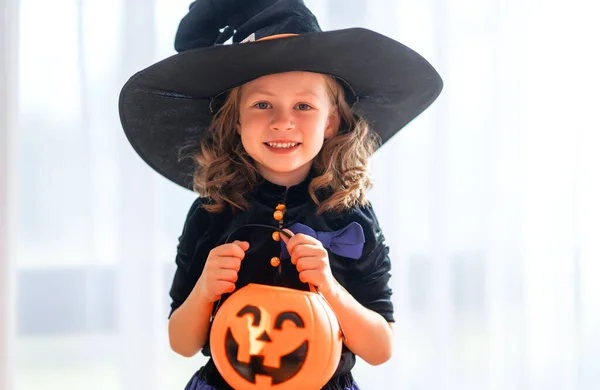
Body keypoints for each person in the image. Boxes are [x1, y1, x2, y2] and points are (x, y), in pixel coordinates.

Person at [118, 1, 442, 389]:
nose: (283, 121)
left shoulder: (349, 216)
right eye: (262, 104)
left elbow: (379, 348)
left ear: (331, 121)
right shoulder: (212, 211)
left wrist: (329, 286)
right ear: (236, 120)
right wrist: (205, 289)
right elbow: (181, 342)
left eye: (303, 105)